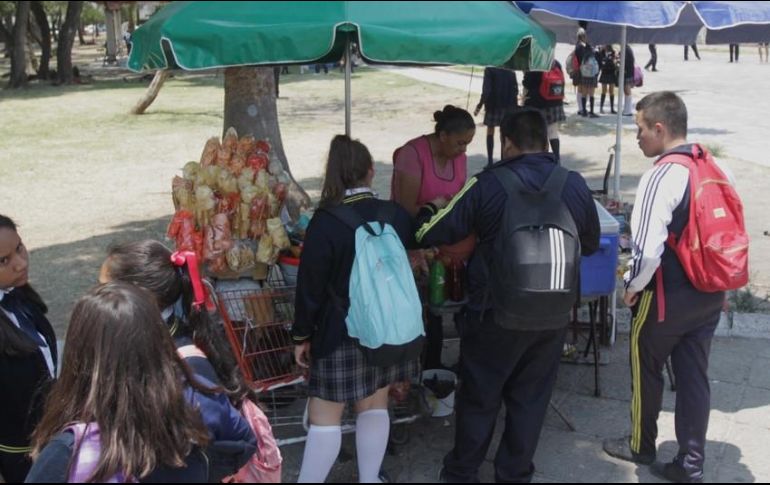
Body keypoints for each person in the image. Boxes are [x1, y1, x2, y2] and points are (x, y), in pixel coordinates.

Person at [415, 109, 599, 483]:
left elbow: (431, 233)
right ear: (546, 142)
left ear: (507, 143)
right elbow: (591, 242)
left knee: (481, 397)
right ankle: (514, 474)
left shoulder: (488, 183)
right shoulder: (574, 184)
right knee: (531, 400)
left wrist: (429, 210)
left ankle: (462, 473)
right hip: (553, 313)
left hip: (493, 313)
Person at [602, 92, 737, 483]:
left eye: (640, 128)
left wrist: (630, 285)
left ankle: (640, 447)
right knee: (694, 375)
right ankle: (691, 463)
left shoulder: (661, 175)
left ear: (659, 128)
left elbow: (645, 251)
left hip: (666, 295)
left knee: (646, 369)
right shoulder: (714, 164)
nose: (637, 136)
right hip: (710, 292)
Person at [26, 282, 256, 482]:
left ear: (79, 357)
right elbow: (244, 442)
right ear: (161, 342)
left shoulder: (67, 454)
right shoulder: (191, 418)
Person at [291, 135, 421, 483]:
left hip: (338, 332)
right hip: (385, 330)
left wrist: (302, 335)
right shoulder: (393, 214)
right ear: (369, 171)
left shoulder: (325, 221)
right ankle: (369, 479)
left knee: (324, 418)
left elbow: (310, 287)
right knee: (375, 406)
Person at [99, 240, 253, 404]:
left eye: (104, 289)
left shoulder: (187, 366)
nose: (96, 296)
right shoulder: (162, 339)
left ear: (141, 295)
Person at [391, 105, 476, 370]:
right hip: (411, 241)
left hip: (444, 243)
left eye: (467, 144)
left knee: (452, 300)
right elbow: (405, 208)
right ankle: (419, 369)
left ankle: (446, 366)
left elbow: (460, 199)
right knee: (424, 312)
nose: (464, 150)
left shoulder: (459, 157)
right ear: (443, 136)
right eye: (460, 143)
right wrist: (437, 207)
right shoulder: (411, 153)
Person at [0, 215, 57, 483]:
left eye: (19, 248)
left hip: (50, 448)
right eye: (4, 261)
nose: (21, 263)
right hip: (18, 465)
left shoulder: (20, 297)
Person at [522, 59, 567, 163]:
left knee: (537, 133)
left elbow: (527, 83)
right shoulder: (555, 63)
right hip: (555, 102)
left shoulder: (535, 63)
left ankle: (540, 160)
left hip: (537, 103)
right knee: (553, 132)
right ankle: (557, 159)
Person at [474, 67, 519, 166]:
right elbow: (516, 89)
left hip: (493, 105)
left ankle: (490, 161)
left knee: (490, 130)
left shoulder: (489, 69)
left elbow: (486, 90)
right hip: (509, 105)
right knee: (504, 133)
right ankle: (504, 159)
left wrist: (479, 106)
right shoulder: (510, 69)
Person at [575, 28, 601, 118]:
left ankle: (584, 111)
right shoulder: (591, 50)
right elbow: (597, 64)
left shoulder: (579, 48)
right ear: (583, 36)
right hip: (592, 75)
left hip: (584, 74)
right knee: (591, 93)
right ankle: (592, 112)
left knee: (584, 93)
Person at [598, 44, 618, 114]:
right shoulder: (601, 52)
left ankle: (612, 108)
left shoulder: (613, 52)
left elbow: (615, 62)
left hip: (611, 72)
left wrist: (614, 60)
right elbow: (600, 62)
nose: (605, 45)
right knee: (604, 91)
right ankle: (601, 107)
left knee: (611, 91)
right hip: (604, 72)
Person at [621, 44, 637, 116]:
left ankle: (628, 110)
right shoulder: (628, 49)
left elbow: (625, 61)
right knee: (627, 91)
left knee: (627, 91)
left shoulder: (626, 50)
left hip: (627, 72)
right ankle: (627, 109)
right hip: (629, 72)